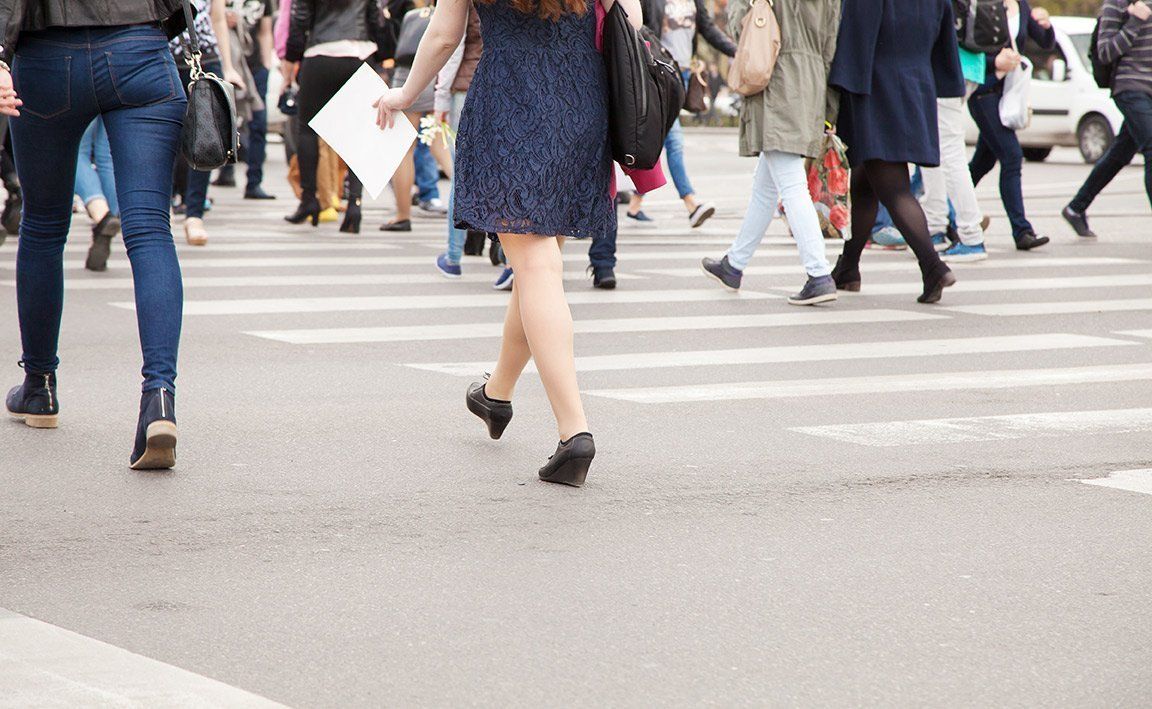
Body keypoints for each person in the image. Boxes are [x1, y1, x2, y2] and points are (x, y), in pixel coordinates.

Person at [373, 0, 642, 486]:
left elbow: (442, 35)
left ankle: (573, 432)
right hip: (582, 104)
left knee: (535, 264)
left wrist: (405, 95)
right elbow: (634, 20)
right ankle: (496, 393)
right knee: (538, 261)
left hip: (510, 104)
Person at [1, 0, 189, 469]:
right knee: (150, 230)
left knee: (44, 226)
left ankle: (40, 386)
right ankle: (159, 398)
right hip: (141, 50)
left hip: (47, 56)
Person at [701, 0, 841, 306]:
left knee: (791, 185)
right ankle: (734, 265)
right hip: (811, 85)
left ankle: (818, 274)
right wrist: (830, 105)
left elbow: (743, 26)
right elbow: (832, 47)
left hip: (777, 82)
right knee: (765, 187)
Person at [828, 0, 963, 304]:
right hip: (916, 83)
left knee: (894, 188)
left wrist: (835, 85)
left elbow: (853, 35)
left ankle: (933, 267)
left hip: (876, 86)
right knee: (865, 180)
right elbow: (944, 38)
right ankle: (848, 267)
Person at [625, 0, 734, 229]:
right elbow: (638, 26)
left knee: (660, 138)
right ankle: (691, 204)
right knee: (673, 141)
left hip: (683, 75)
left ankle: (635, 203)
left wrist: (736, 51)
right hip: (661, 72)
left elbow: (708, 29)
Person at [284, 0, 390, 233]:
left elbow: (299, 19)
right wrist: (383, 56)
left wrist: (292, 57)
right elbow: (376, 17)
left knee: (308, 129)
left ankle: (309, 199)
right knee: (359, 131)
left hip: (321, 52)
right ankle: (354, 204)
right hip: (360, 53)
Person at [967, 0, 1054, 252]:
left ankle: (952, 211)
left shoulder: (1021, 5)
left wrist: (1046, 25)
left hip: (1007, 94)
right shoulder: (978, 5)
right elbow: (966, 45)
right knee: (1012, 156)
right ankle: (1022, 231)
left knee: (982, 163)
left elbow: (1045, 42)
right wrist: (995, 61)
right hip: (984, 90)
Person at [1063, 0, 1152, 238]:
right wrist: (1135, 21)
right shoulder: (1117, 5)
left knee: (1120, 154)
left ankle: (1076, 207)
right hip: (1131, 86)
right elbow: (1105, 52)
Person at [170, 0, 245, 246]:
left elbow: (219, 18)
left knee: (205, 138)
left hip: (203, 57)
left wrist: (228, 67)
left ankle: (194, 214)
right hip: (162, 58)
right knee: (165, 137)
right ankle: (162, 208)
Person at [380, 2, 454, 233]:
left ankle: (403, 215)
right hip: (440, 73)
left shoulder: (409, 13)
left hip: (408, 74)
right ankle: (473, 200)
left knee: (403, 148)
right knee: (440, 143)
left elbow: (388, 37)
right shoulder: (449, 11)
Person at [924, 42, 989, 263]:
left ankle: (970, 235)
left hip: (945, 70)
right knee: (935, 148)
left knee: (948, 153)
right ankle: (935, 228)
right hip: (970, 67)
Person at [433, 3, 484, 278]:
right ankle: (510, 261)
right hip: (511, 85)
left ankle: (453, 257)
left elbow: (449, 42)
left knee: (462, 177)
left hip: (466, 88)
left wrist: (440, 97)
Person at [74, 118, 123, 272]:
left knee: (77, 150)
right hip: (116, 94)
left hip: (80, 93)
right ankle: (106, 226)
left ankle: (102, 215)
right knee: (107, 157)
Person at [239, 0, 277, 200]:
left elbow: (265, 30)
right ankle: (224, 173)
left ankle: (254, 182)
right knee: (220, 122)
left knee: (259, 124)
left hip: (256, 67)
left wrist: (266, 65)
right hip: (230, 62)